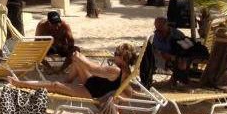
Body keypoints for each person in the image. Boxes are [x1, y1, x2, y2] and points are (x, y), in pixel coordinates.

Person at [8, 43, 139, 100]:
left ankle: (20, 84)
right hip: (94, 83)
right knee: (76, 63)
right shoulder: (127, 71)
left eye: (116, 53)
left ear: (122, 58)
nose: (113, 55)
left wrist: (78, 56)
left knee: (55, 85)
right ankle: (67, 84)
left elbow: (92, 68)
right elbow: (128, 91)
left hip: (92, 92)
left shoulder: (115, 70)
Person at [152, 17, 208, 84]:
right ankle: (179, 80)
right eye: (157, 26)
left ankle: (179, 80)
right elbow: (155, 47)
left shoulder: (176, 34)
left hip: (180, 54)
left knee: (179, 60)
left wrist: (170, 55)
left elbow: (184, 49)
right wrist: (161, 53)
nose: (158, 29)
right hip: (163, 54)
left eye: (160, 26)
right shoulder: (157, 34)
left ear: (166, 24)